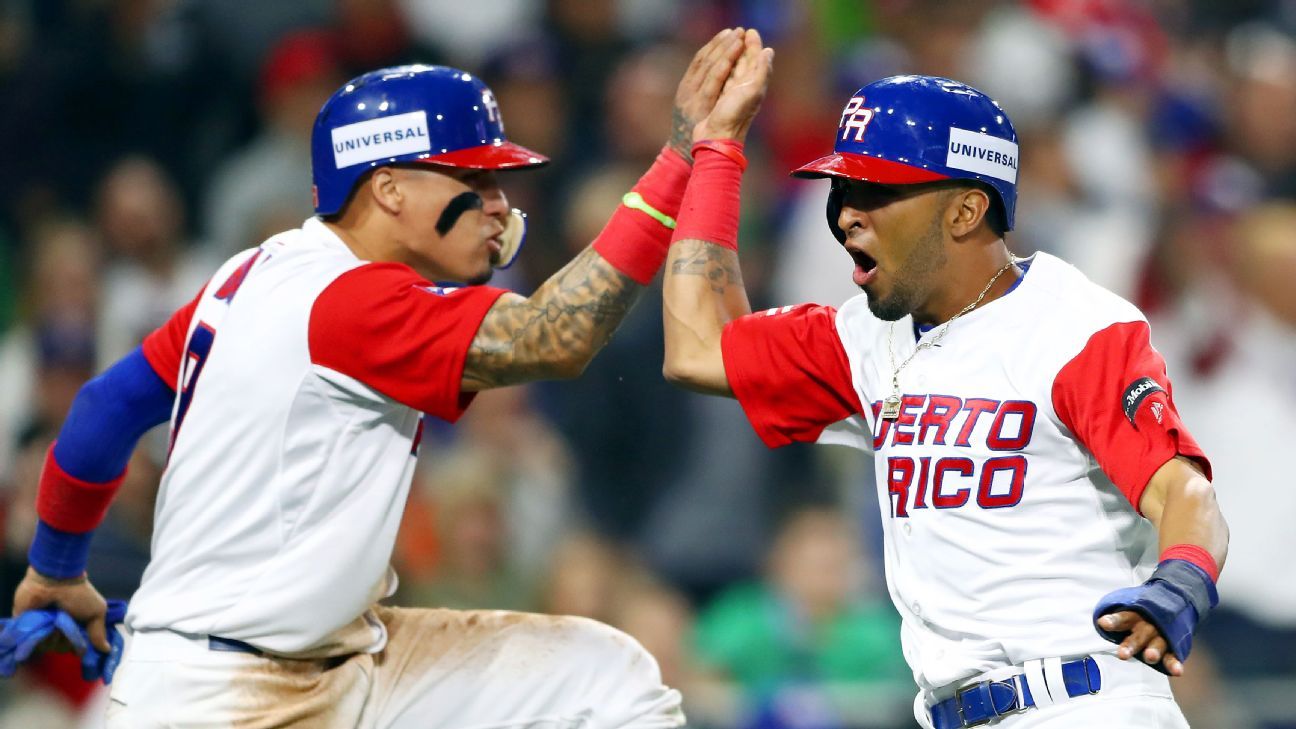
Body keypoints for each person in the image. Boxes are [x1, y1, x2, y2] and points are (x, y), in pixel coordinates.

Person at [8, 28, 752, 728]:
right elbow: (556, 334)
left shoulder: (251, 272)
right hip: (221, 697)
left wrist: (57, 564)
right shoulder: (349, 300)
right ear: (389, 189)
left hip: (334, 662)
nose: (499, 205)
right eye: (472, 177)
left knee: (605, 673)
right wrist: (684, 157)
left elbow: (106, 407)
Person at [661, 32, 1228, 729]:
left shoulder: (1076, 328)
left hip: (1082, 701)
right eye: (843, 188)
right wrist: (716, 150)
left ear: (964, 210)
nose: (845, 213)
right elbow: (696, 348)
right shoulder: (864, 337)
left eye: (877, 191)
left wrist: (1182, 580)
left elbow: (1185, 489)